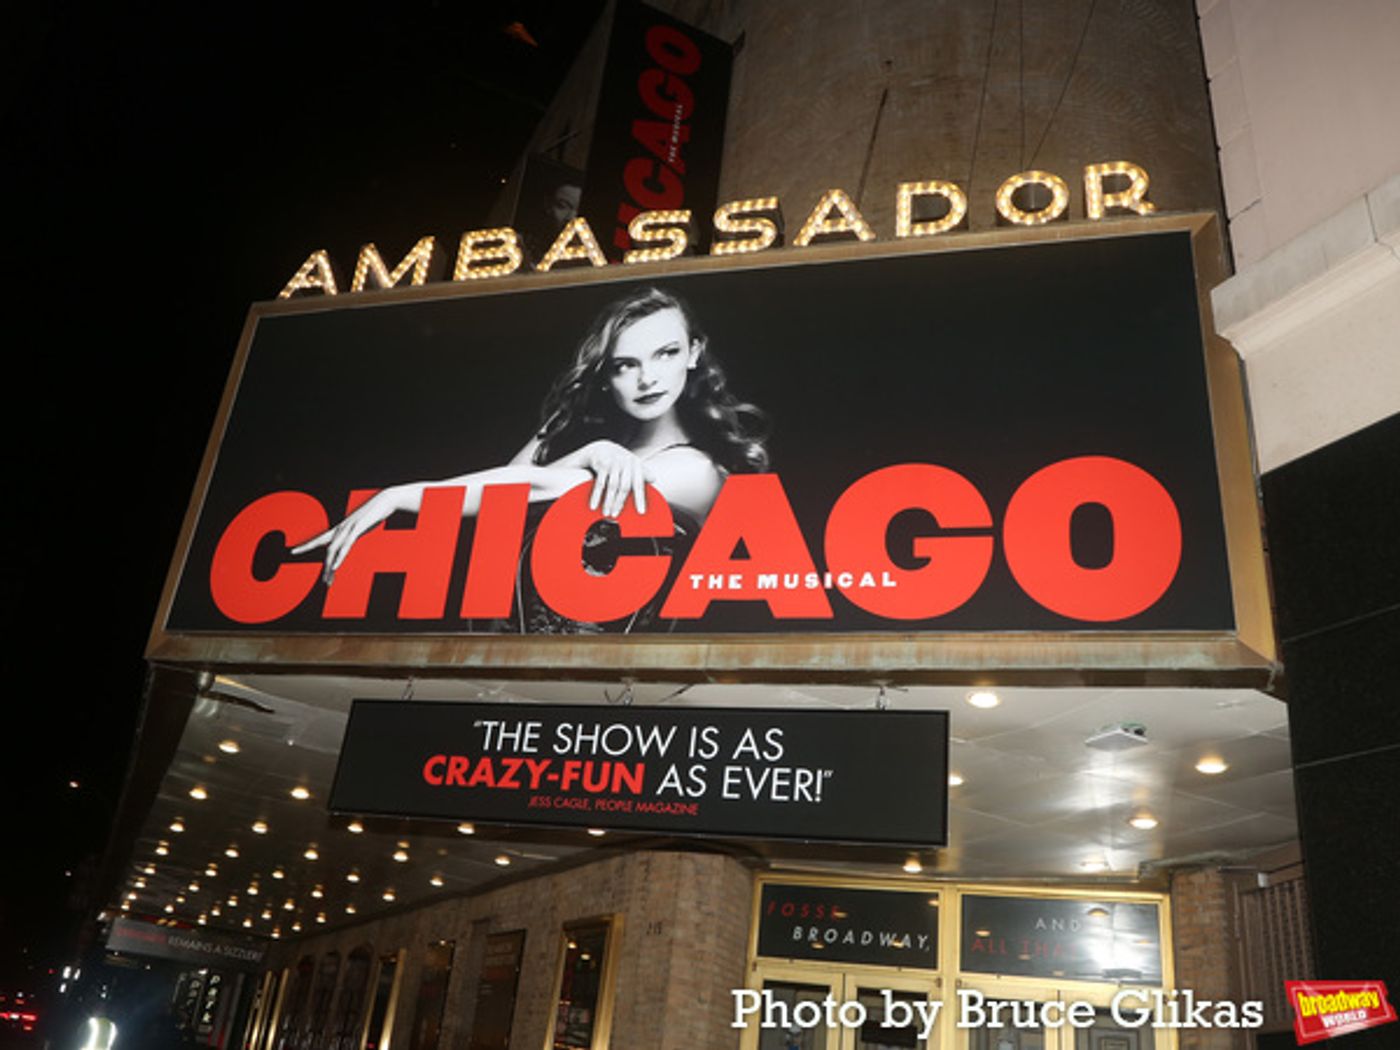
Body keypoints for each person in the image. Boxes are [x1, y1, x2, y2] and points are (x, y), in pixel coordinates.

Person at [292, 286, 768, 607]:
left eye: (665, 353)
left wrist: (397, 496)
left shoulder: (694, 470)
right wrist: (578, 433)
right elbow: (503, 516)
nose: (647, 378)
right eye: (625, 364)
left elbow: (523, 492)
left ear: (694, 353)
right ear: (606, 376)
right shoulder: (612, 451)